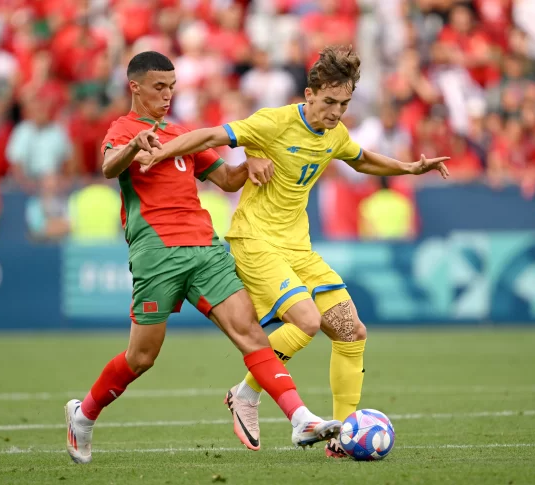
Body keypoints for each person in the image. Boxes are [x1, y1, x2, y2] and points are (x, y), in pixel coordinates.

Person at [137, 46, 450, 458]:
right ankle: (246, 394)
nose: (336, 112)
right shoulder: (274, 122)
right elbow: (213, 136)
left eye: (344, 104)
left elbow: (361, 160)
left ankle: (343, 438)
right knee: (306, 320)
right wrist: (163, 151)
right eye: (328, 102)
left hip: (297, 245)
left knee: (351, 331)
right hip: (255, 240)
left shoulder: (334, 134)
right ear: (308, 94)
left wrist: (409, 168)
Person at [64, 51, 342, 465]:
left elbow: (227, 181)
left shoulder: (182, 133)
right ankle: (83, 416)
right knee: (142, 357)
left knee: (249, 333)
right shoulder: (122, 130)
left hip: (205, 247)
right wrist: (134, 146)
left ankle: (299, 417)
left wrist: (250, 164)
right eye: (159, 86)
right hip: (156, 252)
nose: (168, 94)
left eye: (172, 86)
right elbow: (108, 167)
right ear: (135, 87)